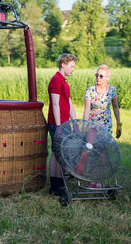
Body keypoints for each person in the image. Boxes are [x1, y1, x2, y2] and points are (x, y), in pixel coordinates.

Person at [83, 64, 122, 188]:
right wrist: (84, 125)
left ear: (107, 78)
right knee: (91, 150)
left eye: (101, 76)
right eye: (97, 75)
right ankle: (91, 179)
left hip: (106, 126)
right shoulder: (90, 91)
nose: (98, 77)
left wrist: (119, 123)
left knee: (102, 152)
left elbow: (115, 107)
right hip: (92, 125)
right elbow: (86, 110)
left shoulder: (112, 90)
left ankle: (98, 180)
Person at [48, 53, 77, 195]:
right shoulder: (56, 80)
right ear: (63, 64)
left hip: (66, 123)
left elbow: (69, 102)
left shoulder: (64, 81)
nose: (73, 69)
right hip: (58, 124)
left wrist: (75, 122)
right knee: (59, 154)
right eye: (71, 66)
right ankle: (57, 185)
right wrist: (59, 126)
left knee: (56, 153)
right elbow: (55, 104)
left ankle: (55, 186)